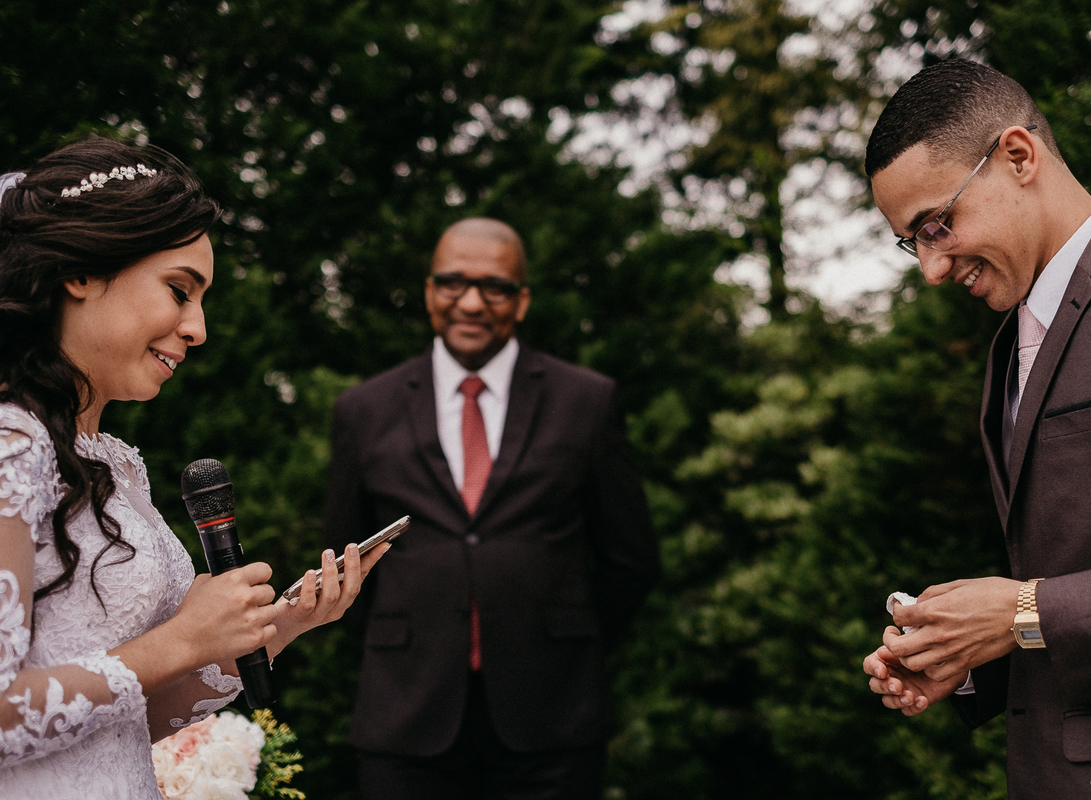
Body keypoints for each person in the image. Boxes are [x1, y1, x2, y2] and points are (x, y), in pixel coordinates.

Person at [0, 138, 386, 799]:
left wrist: (273, 626)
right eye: (180, 291)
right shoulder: (11, 445)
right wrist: (179, 640)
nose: (198, 328)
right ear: (82, 272)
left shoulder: (112, 466)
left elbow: (121, 723)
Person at [860, 58, 1091, 794]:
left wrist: (1025, 610)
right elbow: (1087, 580)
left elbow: (1045, 603)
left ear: (1018, 156)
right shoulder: (1013, 343)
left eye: (937, 225)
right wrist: (971, 652)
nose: (931, 268)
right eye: (911, 240)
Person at [323, 217, 660, 799]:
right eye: (453, 283)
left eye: (495, 287)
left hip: (553, 718)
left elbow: (629, 560)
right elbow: (343, 561)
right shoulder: (364, 410)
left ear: (522, 301)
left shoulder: (587, 400)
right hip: (405, 715)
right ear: (429, 292)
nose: (472, 302)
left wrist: (558, 636)